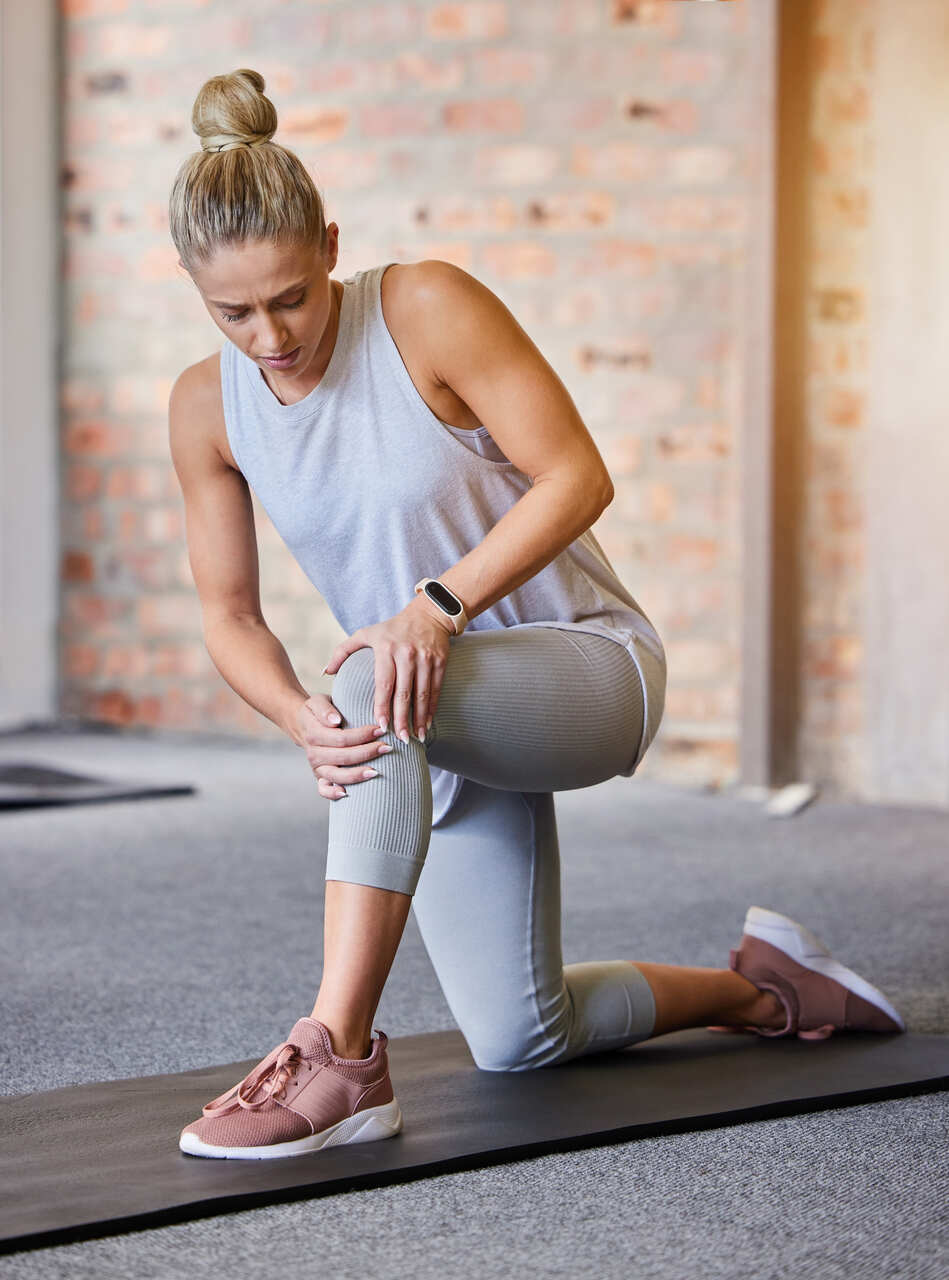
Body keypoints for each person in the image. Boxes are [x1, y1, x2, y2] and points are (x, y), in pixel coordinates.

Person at [167, 70, 905, 1161]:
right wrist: (293, 716)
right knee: (520, 1037)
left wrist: (438, 602)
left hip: (587, 668)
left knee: (368, 677)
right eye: (234, 311)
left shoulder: (421, 307)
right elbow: (230, 614)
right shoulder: (204, 408)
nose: (271, 334)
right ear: (192, 286)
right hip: (427, 712)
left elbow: (576, 475)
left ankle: (339, 1053)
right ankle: (759, 987)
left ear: (329, 243)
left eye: (290, 296)